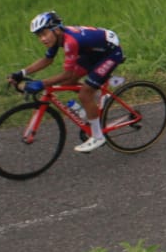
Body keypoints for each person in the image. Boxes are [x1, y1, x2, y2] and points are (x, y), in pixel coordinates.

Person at [8, 11, 125, 153]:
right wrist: (22, 73)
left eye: (44, 33)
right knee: (69, 83)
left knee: (84, 94)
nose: (42, 39)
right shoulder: (57, 37)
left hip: (110, 53)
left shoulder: (71, 41)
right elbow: (47, 60)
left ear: (56, 30)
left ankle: (98, 137)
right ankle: (99, 99)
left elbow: (66, 73)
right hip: (94, 51)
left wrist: (42, 83)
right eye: (39, 35)